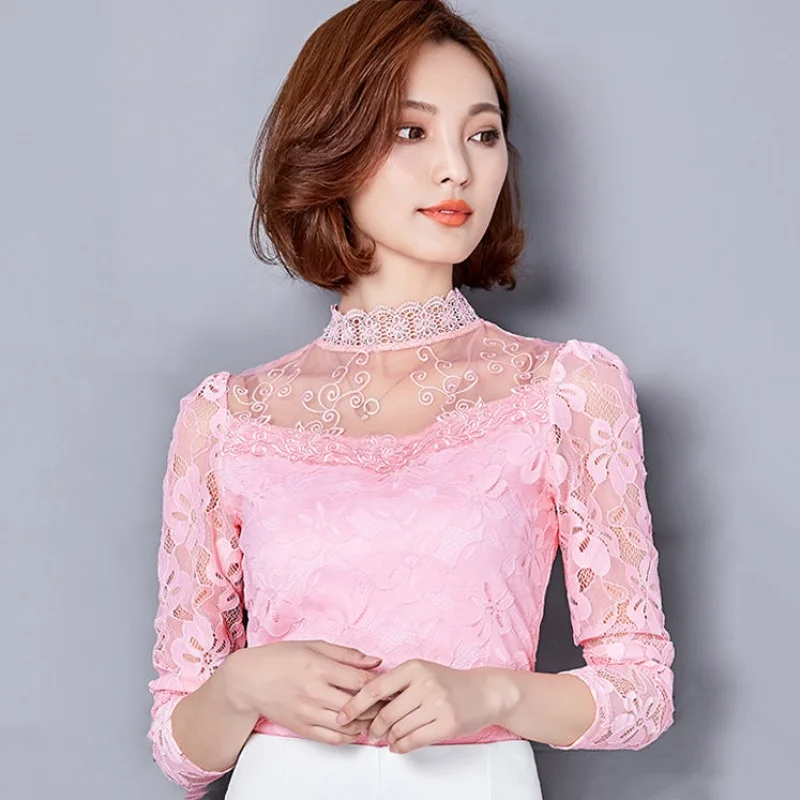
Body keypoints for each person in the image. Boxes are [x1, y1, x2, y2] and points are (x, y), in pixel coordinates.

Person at [146, 2, 676, 798]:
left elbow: (643, 692)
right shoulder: (226, 420)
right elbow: (178, 743)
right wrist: (241, 686)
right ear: (333, 142)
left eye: (483, 134)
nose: (456, 168)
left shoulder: (565, 392)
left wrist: (492, 695)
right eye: (411, 131)